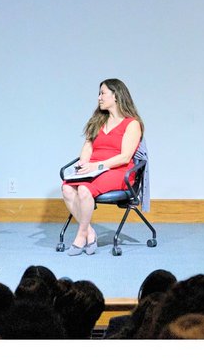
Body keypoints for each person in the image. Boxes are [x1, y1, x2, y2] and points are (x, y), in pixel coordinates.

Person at [60, 78, 143, 256]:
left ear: (116, 96)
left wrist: (97, 166)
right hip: (94, 167)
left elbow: (125, 156)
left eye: (102, 93)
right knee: (67, 188)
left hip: (118, 170)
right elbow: (88, 146)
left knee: (83, 189)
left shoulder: (132, 124)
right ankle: (89, 231)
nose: (99, 97)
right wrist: (84, 163)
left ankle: (81, 235)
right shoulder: (98, 120)